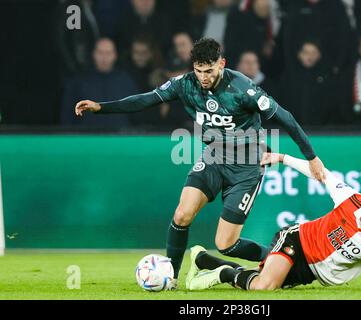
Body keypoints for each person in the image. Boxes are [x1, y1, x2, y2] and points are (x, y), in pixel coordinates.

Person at [74, 38, 326, 289]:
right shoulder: (185, 85)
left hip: (247, 166)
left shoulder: (243, 89)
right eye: (198, 71)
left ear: (222, 63)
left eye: (209, 71)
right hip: (213, 157)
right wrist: (101, 107)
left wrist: (312, 158)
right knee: (182, 214)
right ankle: (170, 276)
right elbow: (146, 99)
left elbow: (287, 118)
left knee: (226, 244)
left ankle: (282, 260)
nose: (203, 77)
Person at [186, 152, 361, 291]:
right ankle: (223, 275)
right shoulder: (352, 199)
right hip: (298, 239)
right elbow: (319, 172)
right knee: (264, 288)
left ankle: (204, 260)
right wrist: (282, 158)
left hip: (312, 272)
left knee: (261, 281)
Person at [61, 38, 138, 127]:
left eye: (108, 53)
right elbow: (67, 115)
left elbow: (137, 114)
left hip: (119, 137)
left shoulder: (126, 81)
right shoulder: (79, 82)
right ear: (93, 54)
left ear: (115, 55)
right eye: (100, 53)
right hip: (87, 137)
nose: (104, 58)